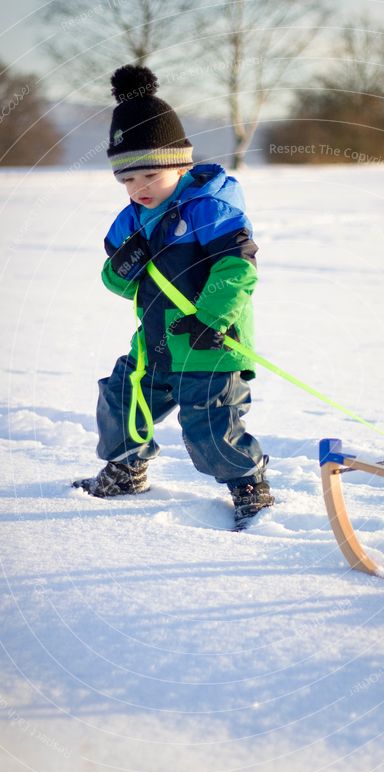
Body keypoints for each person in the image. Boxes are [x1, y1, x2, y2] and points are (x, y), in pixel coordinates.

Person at [73, 65, 274, 525]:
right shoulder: (130, 220)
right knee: (122, 397)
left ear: (179, 165)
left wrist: (212, 318)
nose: (138, 189)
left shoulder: (209, 207)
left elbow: (238, 268)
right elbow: (116, 281)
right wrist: (125, 264)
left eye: (148, 176)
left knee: (209, 425)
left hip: (208, 343)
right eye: (127, 180)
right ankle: (128, 468)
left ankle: (250, 485)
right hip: (155, 340)